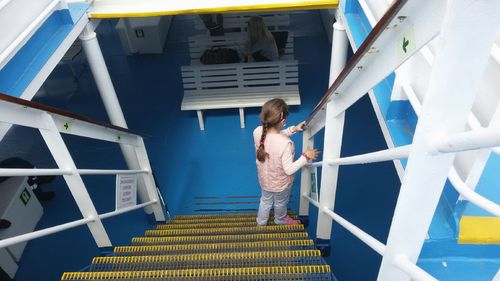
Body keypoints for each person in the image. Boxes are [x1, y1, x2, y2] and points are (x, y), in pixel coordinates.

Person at [253, 98, 319, 226]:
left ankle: (260, 222)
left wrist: (293, 129)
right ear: (283, 121)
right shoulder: (285, 144)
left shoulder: (257, 131)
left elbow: (272, 137)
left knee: (265, 201)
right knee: (280, 203)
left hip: (265, 180)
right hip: (281, 185)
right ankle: (280, 219)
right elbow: (289, 169)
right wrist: (306, 156)